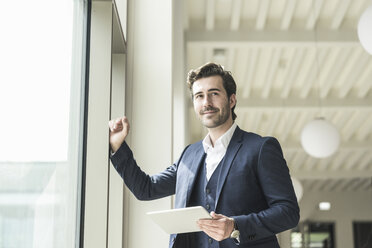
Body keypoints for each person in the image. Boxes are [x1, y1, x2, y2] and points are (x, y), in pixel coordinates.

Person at [109, 63, 300, 248]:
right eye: (199, 96)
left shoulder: (261, 148)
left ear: (232, 100)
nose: (206, 102)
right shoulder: (189, 155)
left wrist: (235, 226)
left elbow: (288, 212)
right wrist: (118, 147)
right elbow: (146, 189)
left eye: (214, 94)